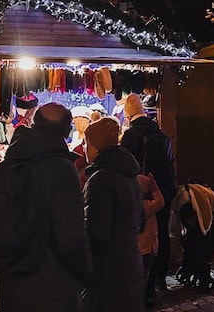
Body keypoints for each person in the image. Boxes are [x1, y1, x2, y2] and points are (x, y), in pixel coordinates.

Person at [0, 103, 91, 312]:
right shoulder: (62, 169)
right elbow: (70, 236)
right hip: (51, 281)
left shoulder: (8, 166)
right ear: (65, 130)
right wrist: (85, 271)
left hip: (11, 279)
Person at [82, 117, 144, 312]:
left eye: (87, 143)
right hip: (131, 267)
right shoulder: (130, 176)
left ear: (97, 147)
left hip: (106, 273)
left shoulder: (100, 180)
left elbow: (96, 233)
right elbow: (140, 221)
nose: (84, 148)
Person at [120, 93, 176, 291]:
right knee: (161, 232)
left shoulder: (131, 135)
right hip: (165, 191)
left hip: (143, 192)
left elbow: (125, 166)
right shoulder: (159, 132)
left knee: (143, 236)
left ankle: (146, 282)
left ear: (128, 115)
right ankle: (161, 277)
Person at [138, 172, 166, 308]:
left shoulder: (129, 203)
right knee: (145, 279)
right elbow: (161, 201)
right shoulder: (149, 204)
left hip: (137, 248)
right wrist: (154, 188)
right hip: (148, 247)